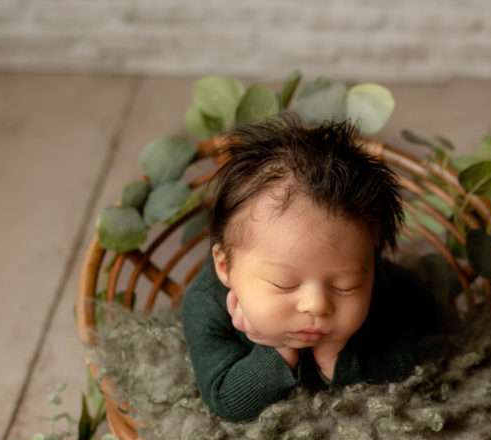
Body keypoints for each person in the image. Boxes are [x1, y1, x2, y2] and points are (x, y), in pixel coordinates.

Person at [180, 113, 449, 423]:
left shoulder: (384, 287)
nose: (317, 305)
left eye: (344, 286)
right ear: (225, 266)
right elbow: (225, 401)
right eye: (284, 284)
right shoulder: (206, 305)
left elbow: (421, 355)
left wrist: (339, 357)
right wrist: (276, 350)